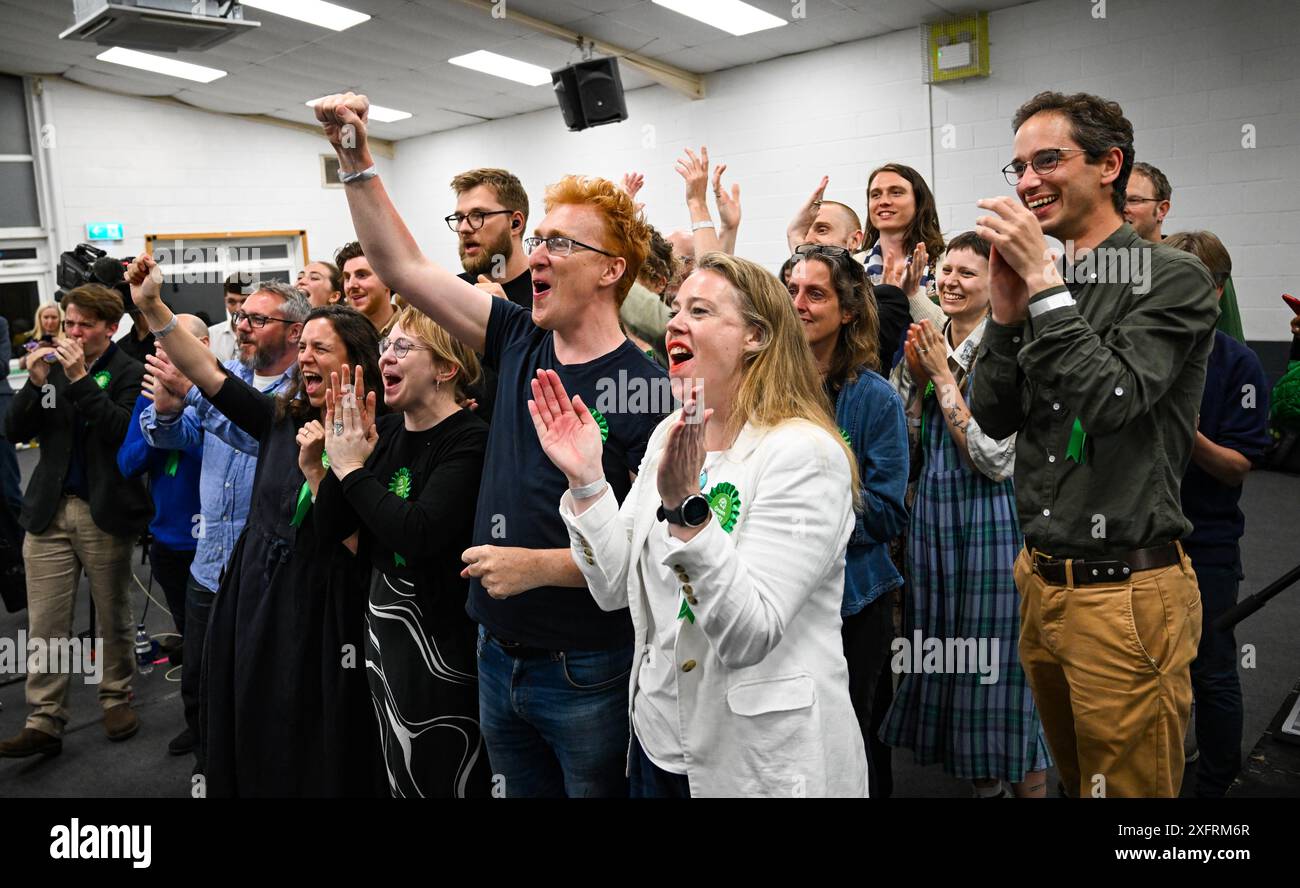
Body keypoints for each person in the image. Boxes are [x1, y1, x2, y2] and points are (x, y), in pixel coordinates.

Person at [315, 91, 668, 797]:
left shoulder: (648, 390)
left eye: (562, 244)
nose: (538, 253)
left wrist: (539, 566)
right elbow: (405, 268)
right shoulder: (517, 337)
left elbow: (652, 559)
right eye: (539, 239)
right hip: (493, 648)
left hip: (585, 661)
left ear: (612, 269)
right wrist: (355, 161)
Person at [529, 252, 868, 796]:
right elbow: (614, 588)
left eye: (701, 311)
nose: (675, 323)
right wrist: (588, 481)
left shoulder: (804, 454)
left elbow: (748, 634)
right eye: (675, 309)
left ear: (756, 336)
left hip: (758, 760)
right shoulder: (670, 433)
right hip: (660, 742)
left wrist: (688, 511)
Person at [970, 90, 1219, 798]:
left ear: (1110, 164)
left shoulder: (1171, 275)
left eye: (1048, 160)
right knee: (1079, 780)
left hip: (1126, 595)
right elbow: (993, 416)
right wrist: (1007, 315)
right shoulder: (1056, 283)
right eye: (1017, 166)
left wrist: (1044, 287)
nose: (1026, 182)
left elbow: (1113, 401)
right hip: (1043, 584)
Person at [125, 253, 383, 797]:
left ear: (358, 361)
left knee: (305, 728)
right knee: (249, 712)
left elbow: (364, 539)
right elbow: (206, 373)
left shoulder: (374, 440)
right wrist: (151, 306)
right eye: (304, 346)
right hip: (255, 590)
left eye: (321, 349)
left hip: (321, 608)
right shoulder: (279, 417)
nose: (305, 359)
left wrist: (328, 467)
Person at [879, 232, 1051, 798]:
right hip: (933, 513)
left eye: (967, 274)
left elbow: (995, 459)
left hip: (992, 520)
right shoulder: (929, 337)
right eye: (945, 271)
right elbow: (905, 439)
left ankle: (1027, 786)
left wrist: (943, 378)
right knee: (947, 650)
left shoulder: (1010, 350)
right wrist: (910, 380)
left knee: (1000, 659)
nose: (950, 281)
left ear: (995, 285)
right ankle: (985, 783)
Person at [313, 306, 491, 797]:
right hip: (383, 629)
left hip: (439, 639)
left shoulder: (469, 441)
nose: (385, 356)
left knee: (447, 769)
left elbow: (419, 535)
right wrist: (339, 454)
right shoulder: (387, 433)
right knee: (400, 767)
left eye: (401, 347)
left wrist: (351, 470)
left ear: (445, 368)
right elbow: (330, 529)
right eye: (385, 345)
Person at [139, 282, 304, 765]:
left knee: (257, 686)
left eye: (258, 319)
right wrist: (168, 412)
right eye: (241, 318)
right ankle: (209, 764)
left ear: (295, 331)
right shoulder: (226, 374)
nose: (243, 327)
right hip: (210, 564)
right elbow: (176, 436)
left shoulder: (299, 393)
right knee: (200, 680)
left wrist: (196, 392)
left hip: (262, 573)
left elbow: (261, 436)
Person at [0, 284, 151, 759]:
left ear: (111, 327)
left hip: (102, 508)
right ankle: (44, 717)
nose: (74, 332)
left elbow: (119, 432)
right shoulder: (53, 371)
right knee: (45, 621)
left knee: (113, 614)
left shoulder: (128, 370)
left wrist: (80, 378)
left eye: (85, 325)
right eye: (69, 323)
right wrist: (38, 383)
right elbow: (15, 430)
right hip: (48, 510)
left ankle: (114, 696)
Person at [787, 243, 908, 798]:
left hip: (855, 601)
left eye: (816, 293)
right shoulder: (763, 391)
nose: (799, 304)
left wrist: (808, 518)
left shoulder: (875, 398)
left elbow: (886, 513)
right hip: (784, 596)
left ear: (849, 310)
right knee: (792, 739)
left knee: (854, 738)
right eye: (791, 292)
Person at [1164, 230, 1271, 798]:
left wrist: (1184, 430)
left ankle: (1215, 790)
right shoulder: (1144, 347)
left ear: (1218, 290)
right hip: (1135, 542)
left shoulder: (1238, 364)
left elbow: (1236, 467)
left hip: (1204, 543)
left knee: (1211, 669)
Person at [115, 314, 208, 750]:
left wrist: (178, 423)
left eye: (178, 345)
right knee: (190, 638)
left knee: (223, 639)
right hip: (170, 540)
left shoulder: (222, 394)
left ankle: (234, 725)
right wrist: (162, 422)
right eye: (161, 348)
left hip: (215, 541)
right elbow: (128, 462)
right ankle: (200, 723)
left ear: (204, 345)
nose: (166, 355)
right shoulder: (150, 396)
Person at [449, 167, 534, 308]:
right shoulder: (455, 291)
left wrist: (509, 317)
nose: (464, 228)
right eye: (459, 218)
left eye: (478, 215)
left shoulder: (548, 293)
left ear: (515, 223)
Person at [337, 240, 397, 335]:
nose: (351, 285)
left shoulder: (416, 332)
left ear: (387, 280)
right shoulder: (338, 335)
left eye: (361, 275)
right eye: (347, 277)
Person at [208, 274, 248, 362]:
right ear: (225, 301)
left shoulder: (264, 334)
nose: (238, 309)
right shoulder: (211, 335)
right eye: (232, 302)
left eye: (244, 301)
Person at [16, 302, 63, 369]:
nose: (50, 321)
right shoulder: (31, 338)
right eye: (46, 317)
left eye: (54, 317)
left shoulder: (66, 338)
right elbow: (21, 365)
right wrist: (36, 351)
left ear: (60, 318)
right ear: (39, 318)